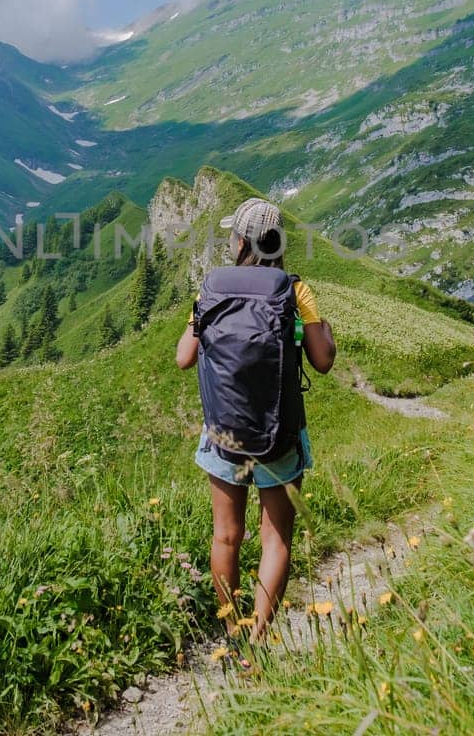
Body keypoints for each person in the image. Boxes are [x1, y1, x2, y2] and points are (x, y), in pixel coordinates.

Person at [175, 197, 336, 644]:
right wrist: (323, 331)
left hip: (223, 433)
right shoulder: (293, 290)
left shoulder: (211, 288)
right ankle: (260, 640)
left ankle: (231, 630)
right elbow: (322, 361)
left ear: (242, 241)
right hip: (279, 432)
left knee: (226, 537)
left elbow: (183, 357)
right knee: (275, 538)